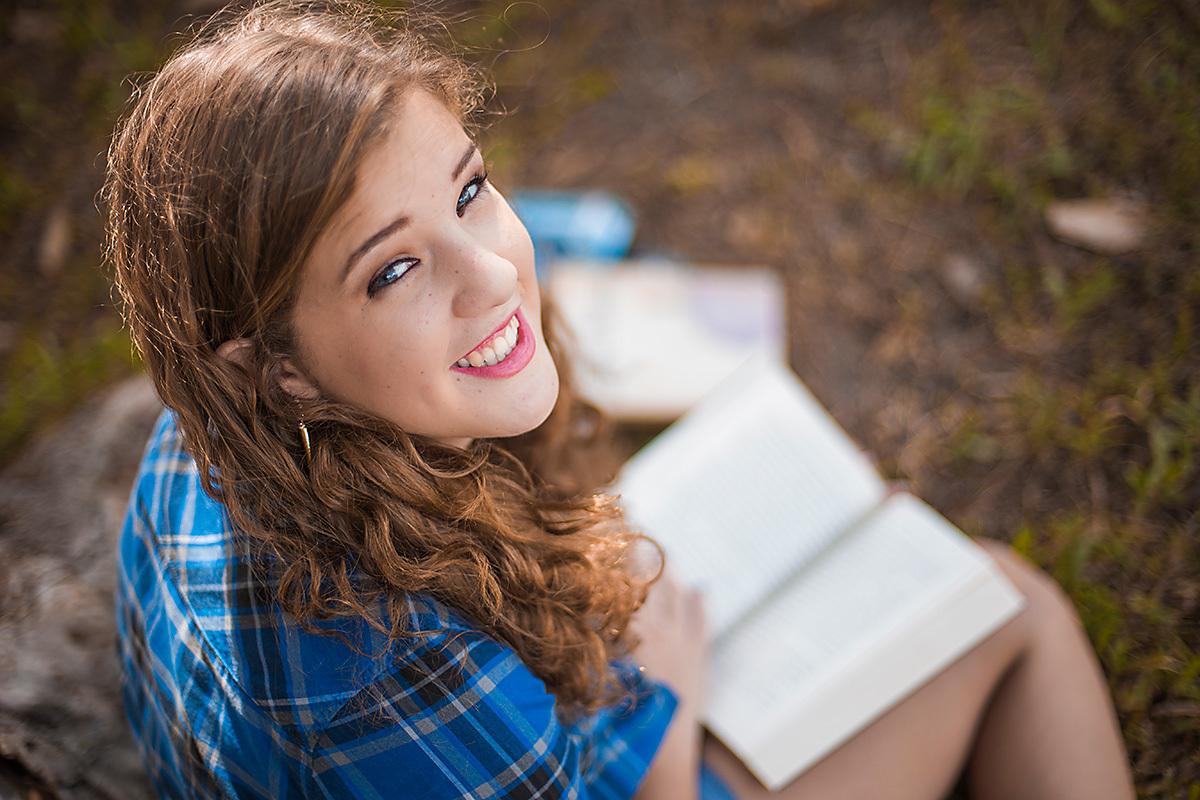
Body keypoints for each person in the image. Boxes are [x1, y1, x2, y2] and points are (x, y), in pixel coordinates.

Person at [105, 2, 1137, 798]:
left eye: (468, 192)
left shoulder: (192, 444)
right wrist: (675, 699)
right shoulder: (385, 668)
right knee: (1010, 605)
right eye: (392, 271)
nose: (499, 274)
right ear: (278, 366)